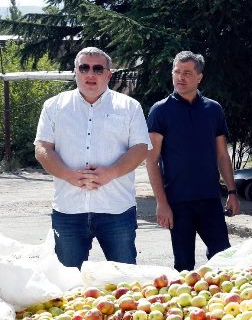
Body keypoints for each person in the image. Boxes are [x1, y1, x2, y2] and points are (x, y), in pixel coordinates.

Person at [34, 47, 150, 268]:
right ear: (75, 71)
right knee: (67, 284)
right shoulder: (53, 106)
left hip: (116, 209)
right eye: (84, 67)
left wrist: (111, 173)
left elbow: (140, 148)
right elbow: (42, 147)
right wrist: (67, 175)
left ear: (109, 75)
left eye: (98, 68)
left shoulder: (129, 107)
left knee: (124, 282)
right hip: (69, 210)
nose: (90, 74)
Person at [146, 51, 240, 271]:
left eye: (187, 73)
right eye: (177, 72)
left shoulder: (213, 109)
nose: (180, 77)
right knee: (184, 266)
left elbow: (222, 155)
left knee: (223, 261)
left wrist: (232, 193)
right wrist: (161, 203)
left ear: (199, 77)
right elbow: (151, 161)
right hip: (177, 203)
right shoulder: (160, 111)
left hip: (210, 200)